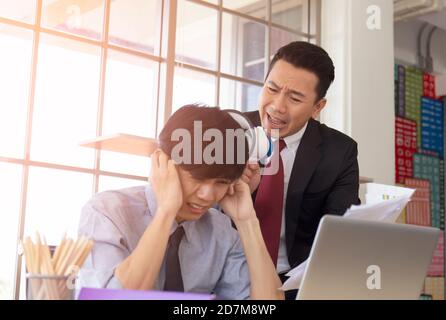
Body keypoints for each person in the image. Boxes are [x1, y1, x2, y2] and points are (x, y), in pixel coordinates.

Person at [77, 105, 284, 300]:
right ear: (161, 162)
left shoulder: (220, 232)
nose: (207, 195)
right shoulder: (106, 212)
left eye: (221, 182)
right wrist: (166, 212)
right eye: (197, 178)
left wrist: (247, 222)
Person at [243, 41, 360, 298]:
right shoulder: (231, 132)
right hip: (232, 271)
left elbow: (341, 230)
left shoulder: (339, 152)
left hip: (297, 282)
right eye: (271, 89)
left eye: (295, 98)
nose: (277, 106)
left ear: (318, 107)